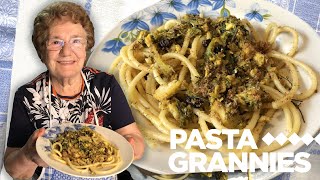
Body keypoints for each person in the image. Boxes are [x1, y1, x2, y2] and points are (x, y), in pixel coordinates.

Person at [3, 1, 144, 179]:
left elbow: (132, 137)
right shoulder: (27, 95)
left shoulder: (105, 84)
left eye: (76, 41)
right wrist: (28, 155)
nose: (66, 52)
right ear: (42, 49)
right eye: (56, 42)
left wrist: (131, 147)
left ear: (86, 47)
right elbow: (16, 172)